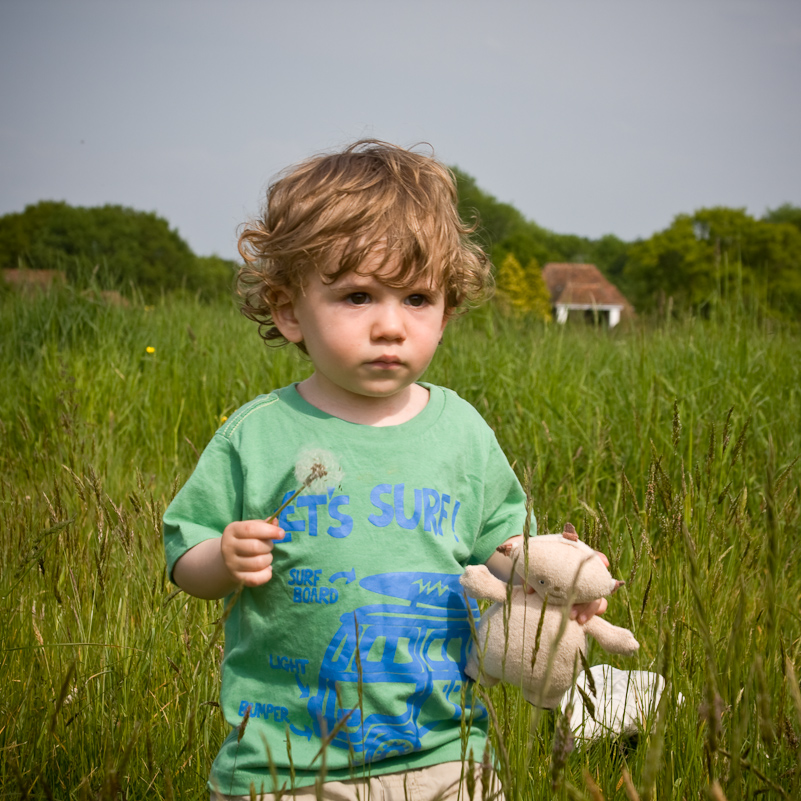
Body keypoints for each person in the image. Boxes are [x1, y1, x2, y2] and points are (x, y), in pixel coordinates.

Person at [163, 140, 605, 801]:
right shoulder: (257, 435)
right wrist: (223, 557)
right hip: (286, 764)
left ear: (447, 310)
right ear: (289, 310)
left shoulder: (460, 432)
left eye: (418, 299)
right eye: (358, 296)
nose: (391, 326)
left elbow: (509, 548)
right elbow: (184, 554)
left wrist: (558, 580)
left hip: (444, 755)